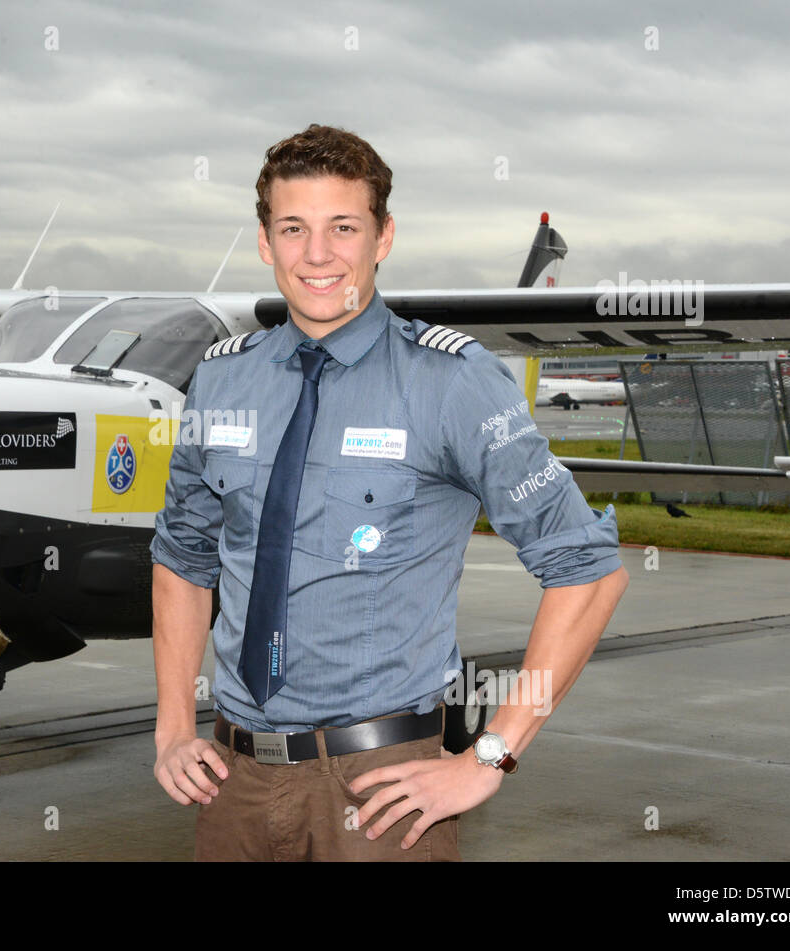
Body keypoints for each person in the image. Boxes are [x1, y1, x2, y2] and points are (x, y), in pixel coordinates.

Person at [150, 123, 629, 861]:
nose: (317, 254)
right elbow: (183, 557)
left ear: (383, 236)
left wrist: (489, 756)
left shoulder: (450, 382)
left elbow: (590, 570)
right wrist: (174, 724)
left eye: (344, 226)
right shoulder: (222, 377)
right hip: (233, 783)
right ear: (263, 241)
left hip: (381, 791)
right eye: (293, 228)